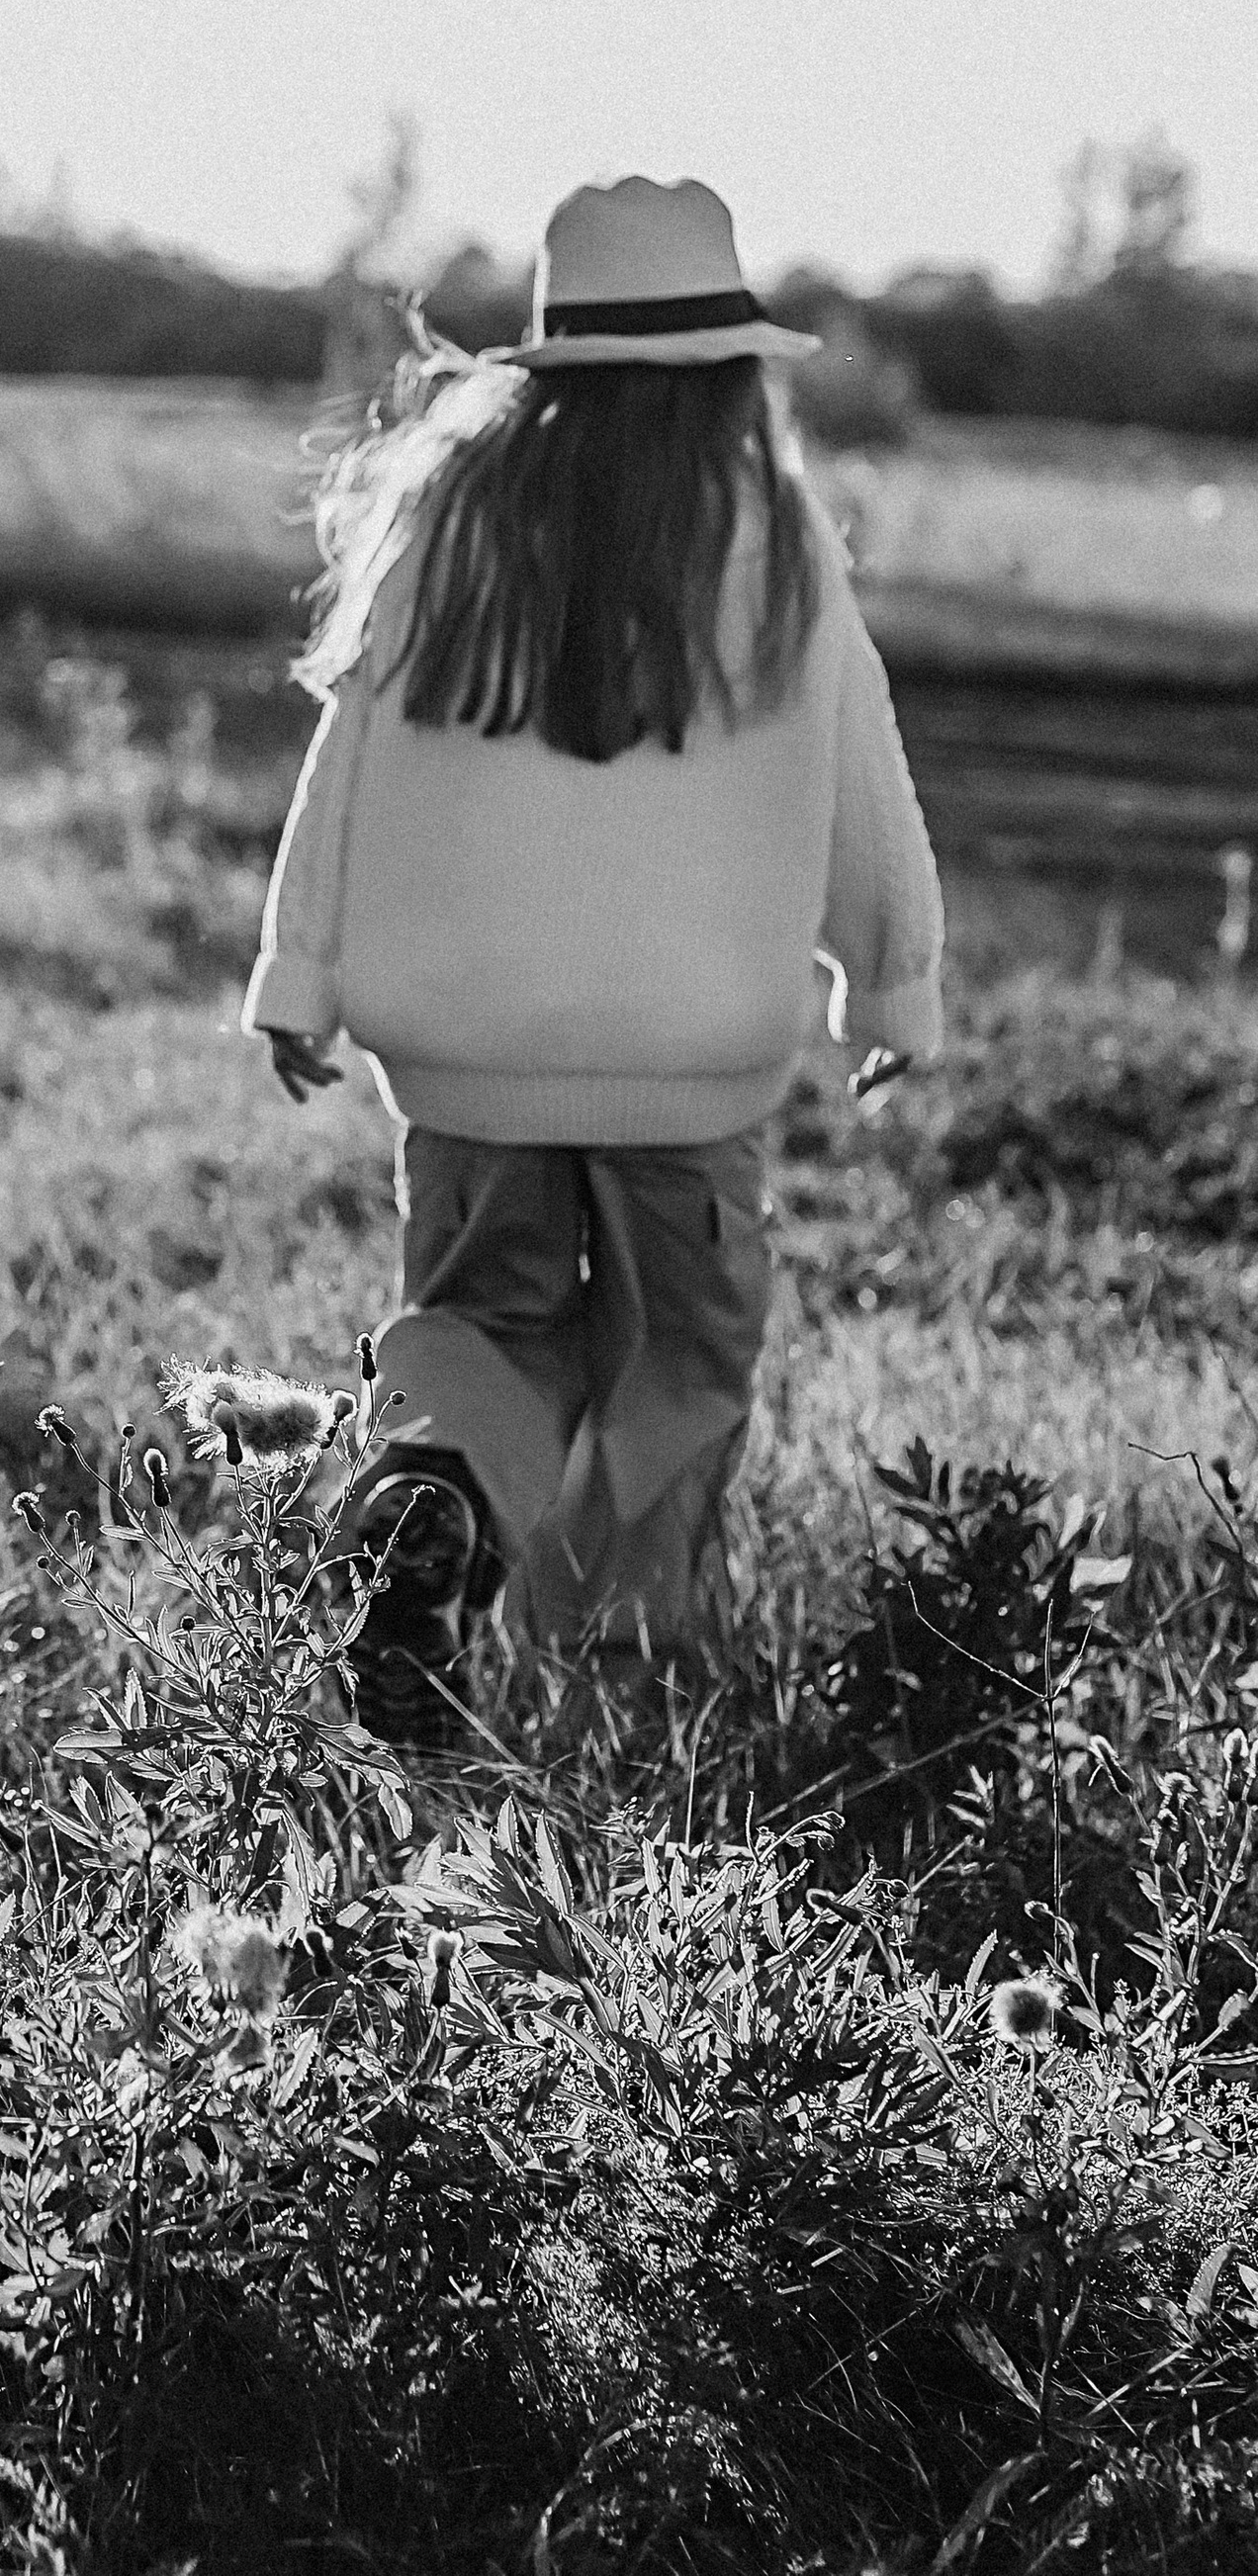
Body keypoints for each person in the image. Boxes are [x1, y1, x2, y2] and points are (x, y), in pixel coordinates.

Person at [244, 174, 943, 1736]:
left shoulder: (448, 519)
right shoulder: (772, 540)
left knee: (483, 1323)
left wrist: (300, 970)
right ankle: (611, 1673)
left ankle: (431, 1491)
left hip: (465, 1050)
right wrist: (890, 977)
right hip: (690, 1064)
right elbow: (859, 768)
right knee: (679, 1355)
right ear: (728, 374)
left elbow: (347, 752)